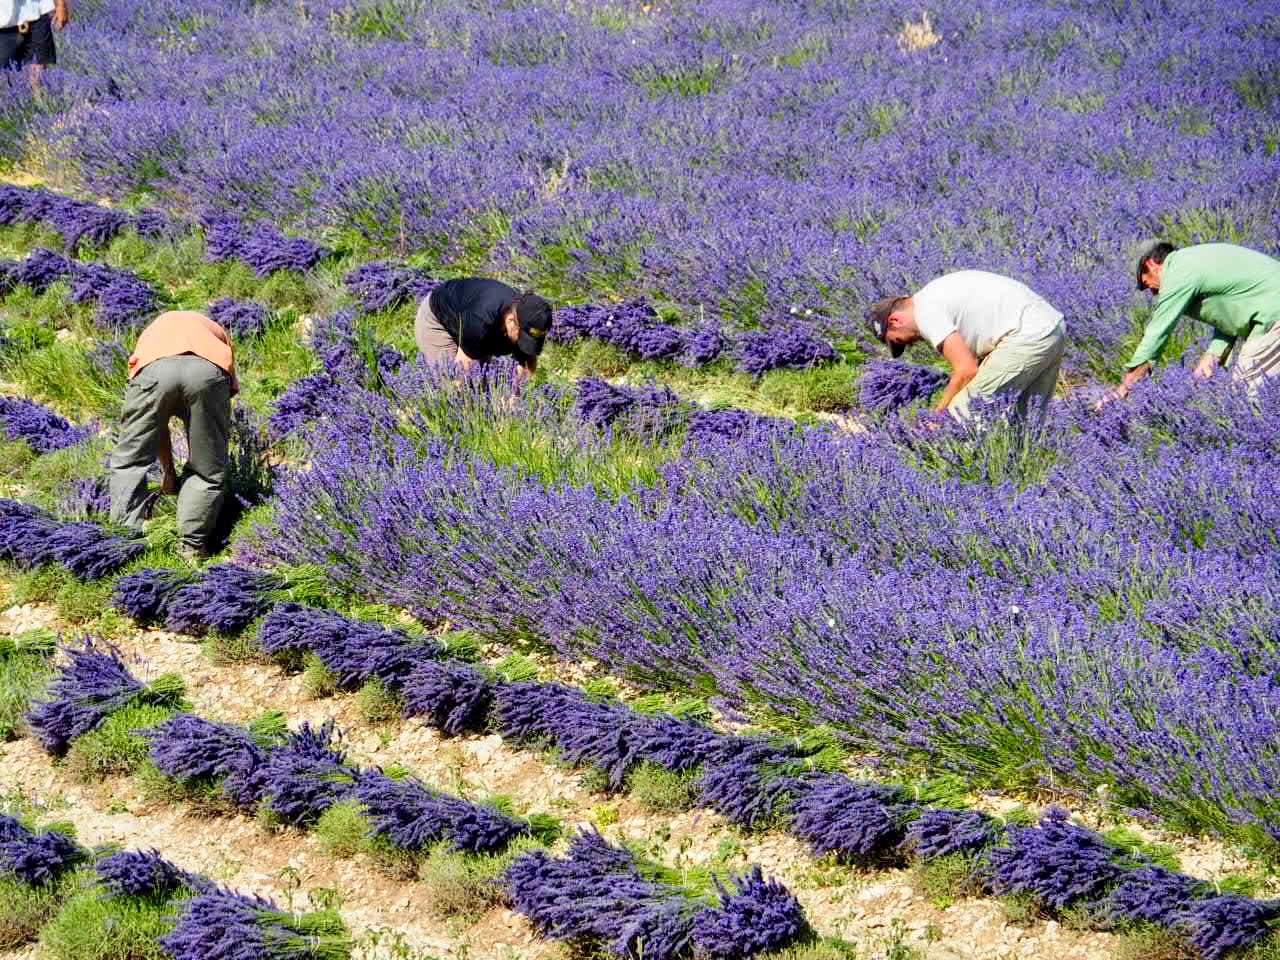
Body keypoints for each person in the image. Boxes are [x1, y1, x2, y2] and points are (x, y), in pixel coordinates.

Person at [109, 310, 238, 563]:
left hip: (154, 370)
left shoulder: (153, 329)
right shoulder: (216, 332)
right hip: (207, 372)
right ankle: (190, 549)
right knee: (207, 469)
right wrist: (170, 471)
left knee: (130, 461)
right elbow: (229, 384)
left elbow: (157, 428)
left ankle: (124, 545)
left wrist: (168, 471)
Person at [867, 270, 1066, 418]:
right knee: (1026, 419)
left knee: (962, 413)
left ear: (895, 321)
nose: (909, 345)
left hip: (1026, 335)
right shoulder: (934, 293)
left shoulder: (924, 312)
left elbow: (967, 369)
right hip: (1051, 326)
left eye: (899, 341)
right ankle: (1027, 471)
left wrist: (940, 414)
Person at [1110, 242, 1280, 399]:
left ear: (1150, 265)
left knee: (1246, 398)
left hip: (1274, 314)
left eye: (1146, 285)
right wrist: (1213, 355)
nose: (1153, 293)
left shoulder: (1178, 272)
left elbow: (1158, 332)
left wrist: (1124, 387)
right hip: (1272, 308)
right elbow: (1232, 309)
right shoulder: (1191, 261)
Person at [416, 278, 552, 377]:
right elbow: (462, 371)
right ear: (511, 321)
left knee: (484, 387)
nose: (521, 341)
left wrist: (513, 395)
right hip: (438, 321)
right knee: (452, 382)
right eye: (521, 336)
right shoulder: (481, 320)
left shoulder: (528, 316)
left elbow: (526, 362)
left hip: (474, 324)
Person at [0, 0, 70, 94]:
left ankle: (41, 105)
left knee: (39, 79)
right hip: (4, 21)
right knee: (5, 83)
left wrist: (61, 5)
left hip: (36, 11)